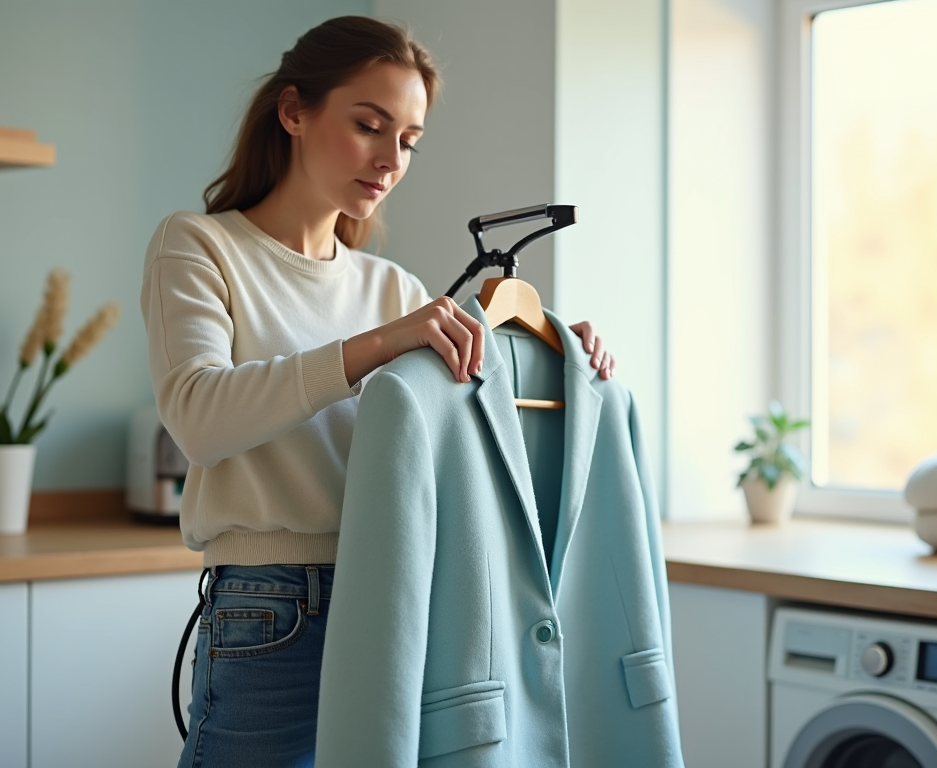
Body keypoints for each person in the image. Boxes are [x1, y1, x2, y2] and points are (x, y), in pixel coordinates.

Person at [141, 15, 615, 768]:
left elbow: (471, 435)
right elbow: (201, 417)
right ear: (293, 111)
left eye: (410, 141)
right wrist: (378, 345)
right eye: (370, 125)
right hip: (272, 607)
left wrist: (564, 357)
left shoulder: (391, 287)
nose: (391, 159)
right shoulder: (200, 247)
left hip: (402, 593)